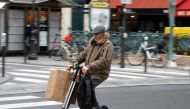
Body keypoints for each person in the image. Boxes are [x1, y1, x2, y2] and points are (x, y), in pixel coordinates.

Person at [67, 25, 114, 109]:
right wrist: (73, 64)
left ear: (103, 34)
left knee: (83, 90)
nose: (94, 36)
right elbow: (83, 55)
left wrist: (89, 66)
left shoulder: (108, 45)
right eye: (94, 34)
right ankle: (95, 106)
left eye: (97, 34)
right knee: (80, 89)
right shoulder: (92, 43)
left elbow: (104, 61)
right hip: (89, 72)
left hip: (100, 73)